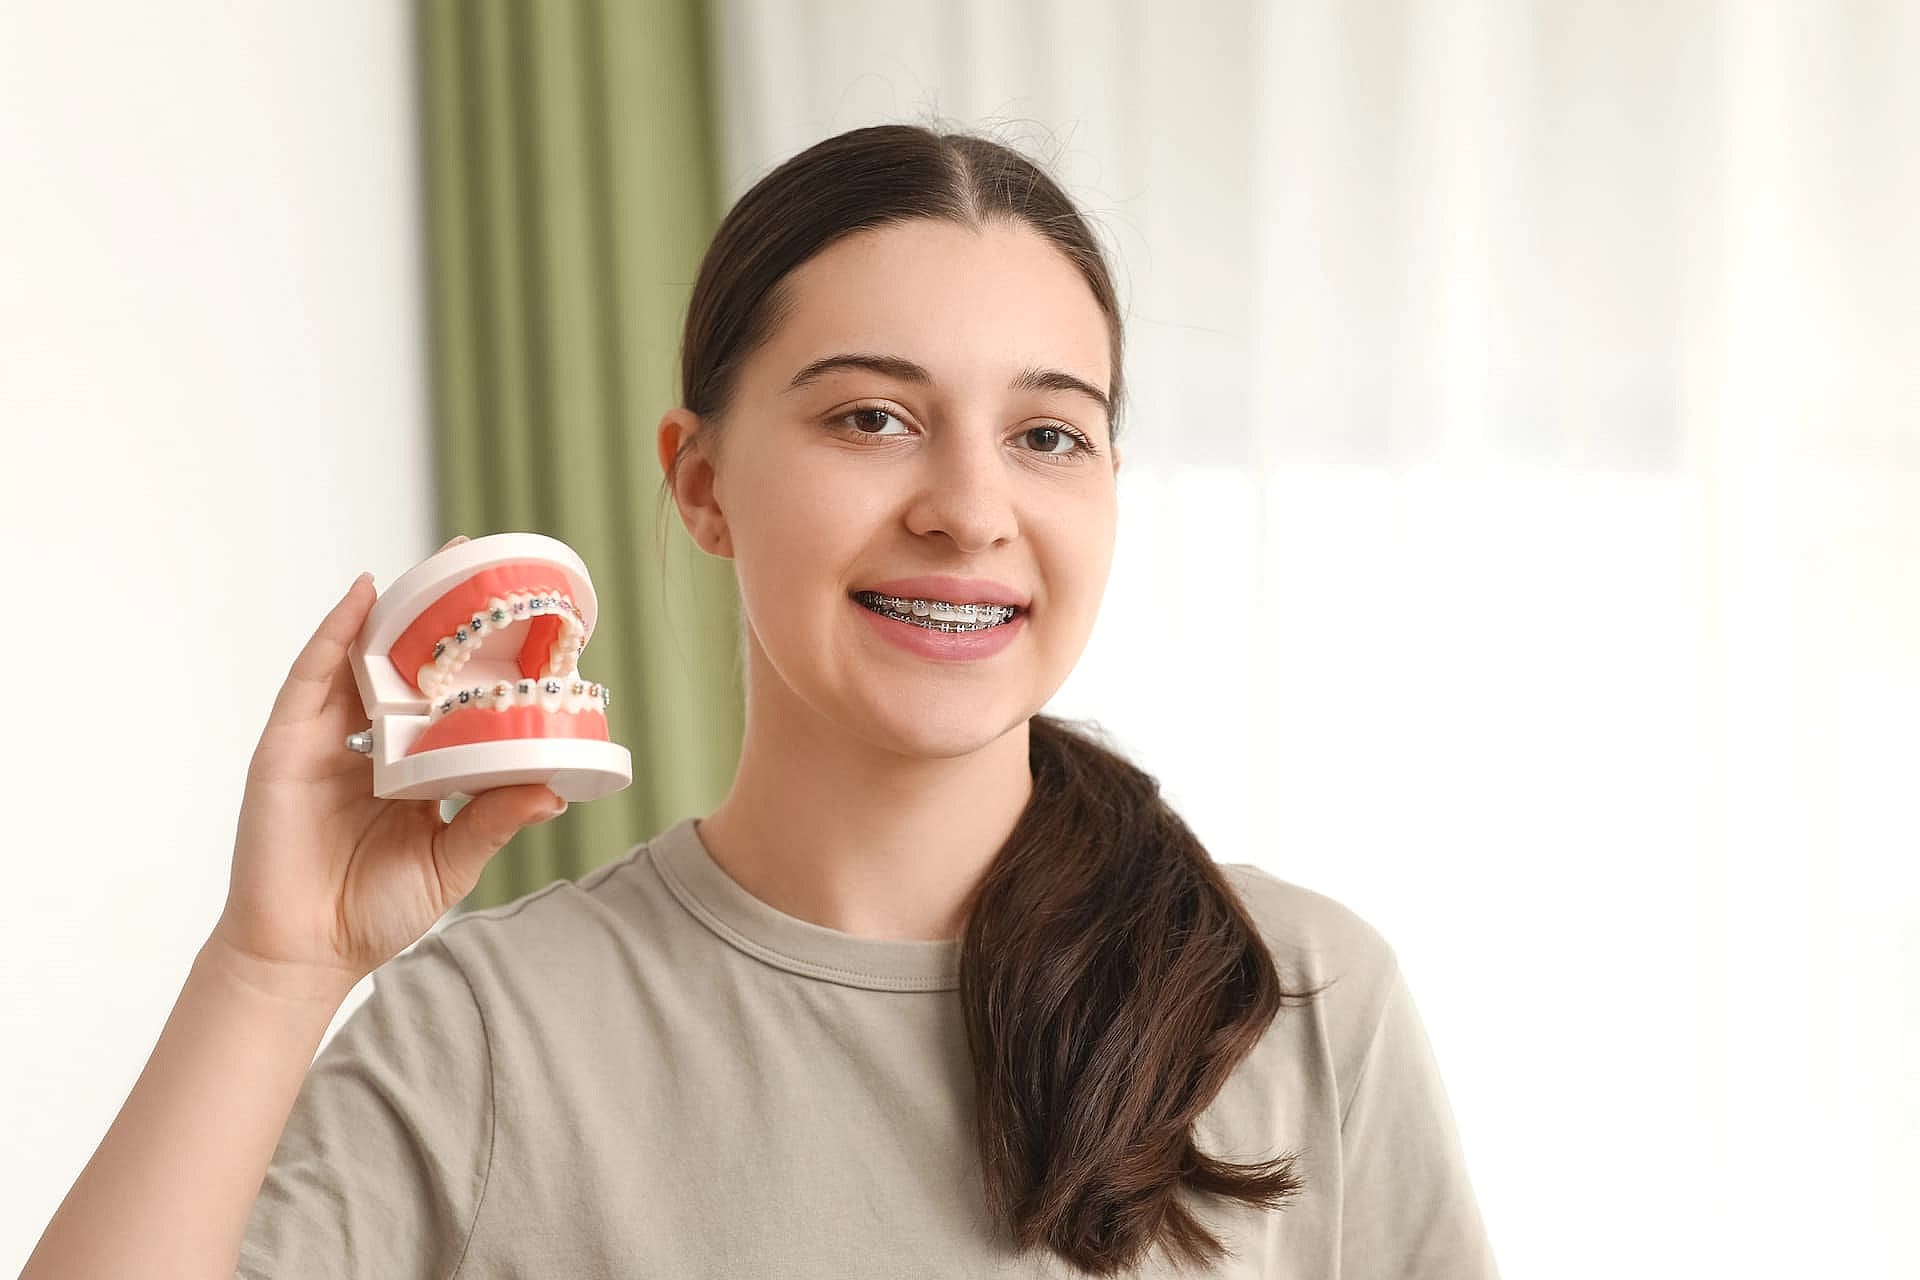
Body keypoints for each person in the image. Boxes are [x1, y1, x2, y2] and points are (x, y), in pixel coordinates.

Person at [23, 123, 1498, 1278]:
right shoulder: (487, 1035)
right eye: (874, 418)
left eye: (1050, 433)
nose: (971, 509)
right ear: (701, 479)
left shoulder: (1295, 998)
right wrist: (270, 969)